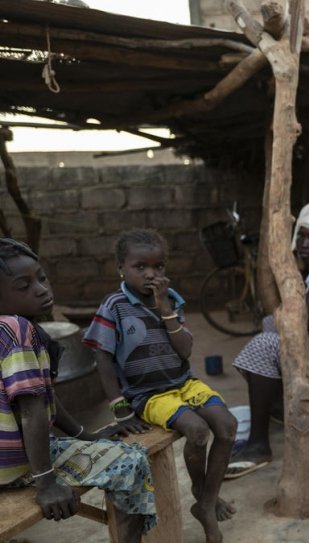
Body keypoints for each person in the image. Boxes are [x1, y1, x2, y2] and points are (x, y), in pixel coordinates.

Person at [83, 229, 237, 543]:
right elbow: (102, 359)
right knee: (196, 430)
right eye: (141, 267)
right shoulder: (113, 306)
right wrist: (120, 407)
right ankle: (201, 492)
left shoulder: (172, 299)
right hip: (147, 394)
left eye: (159, 266)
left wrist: (165, 307)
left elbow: (185, 350)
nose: (151, 274)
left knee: (228, 424)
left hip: (184, 383)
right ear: (121, 268)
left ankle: (205, 503)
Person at [0, 239, 156, 542]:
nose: (42, 289)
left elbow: (43, 397)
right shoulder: (16, 330)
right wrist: (46, 484)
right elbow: (32, 411)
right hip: (12, 468)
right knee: (131, 461)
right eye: (24, 286)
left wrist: (85, 434)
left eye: (41, 278)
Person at [227, 201, 309, 479]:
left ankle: (258, 445)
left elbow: (301, 322)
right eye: (302, 235)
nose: (305, 243)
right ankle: (277, 404)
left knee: (262, 347)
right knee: (269, 324)